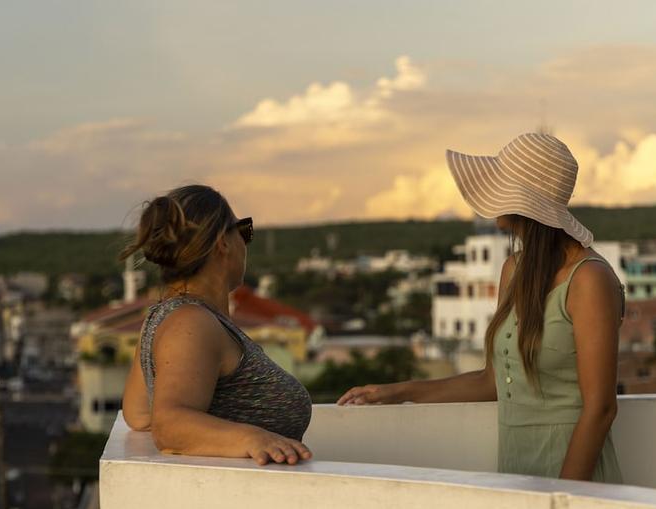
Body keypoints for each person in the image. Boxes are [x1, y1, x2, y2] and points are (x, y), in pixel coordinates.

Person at [338, 133, 623, 483]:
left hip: (574, 473)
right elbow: (492, 383)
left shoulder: (589, 279)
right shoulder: (514, 270)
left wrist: (563, 496)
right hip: (518, 468)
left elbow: (601, 408)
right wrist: (398, 391)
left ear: (522, 202)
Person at [120, 185, 313, 466]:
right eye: (243, 232)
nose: (245, 244)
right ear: (223, 242)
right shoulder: (190, 323)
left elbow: (138, 414)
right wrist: (251, 438)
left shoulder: (163, 317)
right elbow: (168, 426)